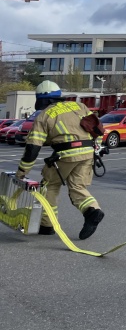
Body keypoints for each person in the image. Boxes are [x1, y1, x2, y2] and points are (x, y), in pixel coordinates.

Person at [15, 81, 106, 239]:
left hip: (65, 154)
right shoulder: (79, 106)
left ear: (42, 99)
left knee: (49, 186)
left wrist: (22, 171)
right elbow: (97, 128)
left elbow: (33, 148)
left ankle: (47, 224)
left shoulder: (44, 116)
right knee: (77, 186)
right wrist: (96, 148)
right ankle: (93, 211)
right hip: (87, 152)